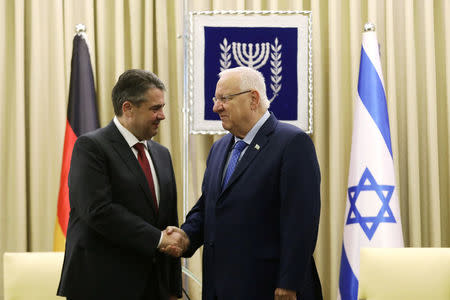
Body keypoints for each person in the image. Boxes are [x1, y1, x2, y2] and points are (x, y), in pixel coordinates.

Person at [164, 66, 322, 299]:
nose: (216, 107)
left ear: (253, 99)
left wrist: (289, 282)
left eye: (224, 99)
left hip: (268, 287)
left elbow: (301, 221)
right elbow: (210, 206)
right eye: (215, 99)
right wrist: (185, 236)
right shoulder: (219, 148)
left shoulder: (292, 143)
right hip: (219, 287)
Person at [57, 69, 185, 300]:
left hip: (155, 288)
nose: (163, 115)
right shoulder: (91, 147)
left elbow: (168, 220)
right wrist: (158, 239)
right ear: (128, 108)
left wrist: (173, 287)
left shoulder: (162, 154)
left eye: (163, 107)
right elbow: (97, 210)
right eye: (155, 108)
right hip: (102, 285)